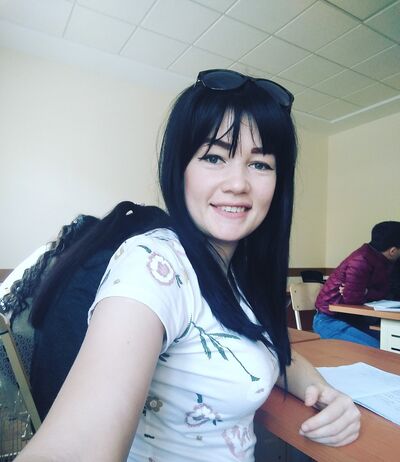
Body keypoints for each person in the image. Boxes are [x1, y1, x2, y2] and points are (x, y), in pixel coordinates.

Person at [15, 69, 360, 462]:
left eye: (260, 164)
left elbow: (273, 351)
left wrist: (326, 393)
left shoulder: (235, 275)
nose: (238, 183)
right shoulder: (154, 264)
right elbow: (77, 448)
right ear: (179, 169)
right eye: (214, 157)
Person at [313, 221, 400, 348]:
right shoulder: (361, 260)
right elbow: (352, 299)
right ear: (393, 251)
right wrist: (369, 293)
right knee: (380, 350)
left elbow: (386, 291)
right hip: (330, 320)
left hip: (354, 320)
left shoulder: (385, 261)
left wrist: (366, 292)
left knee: (392, 345)